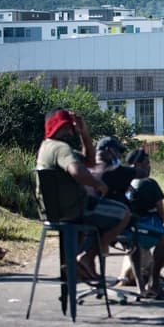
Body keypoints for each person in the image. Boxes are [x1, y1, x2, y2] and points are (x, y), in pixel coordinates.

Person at [35, 108, 131, 281]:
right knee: (124, 214)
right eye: (68, 127)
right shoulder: (61, 149)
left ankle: (76, 264)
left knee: (91, 220)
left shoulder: (46, 147)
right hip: (75, 211)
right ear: (60, 127)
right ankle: (88, 257)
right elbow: (77, 170)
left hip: (55, 212)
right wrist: (97, 184)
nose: (71, 131)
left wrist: (84, 134)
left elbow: (90, 162)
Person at [120, 148, 164, 300]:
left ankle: (145, 278)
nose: (149, 167)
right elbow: (160, 212)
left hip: (125, 229)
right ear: (137, 165)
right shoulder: (149, 183)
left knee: (142, 242)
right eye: (146, 163)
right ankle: (153, 280)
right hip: (144, 229)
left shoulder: (124, 182)